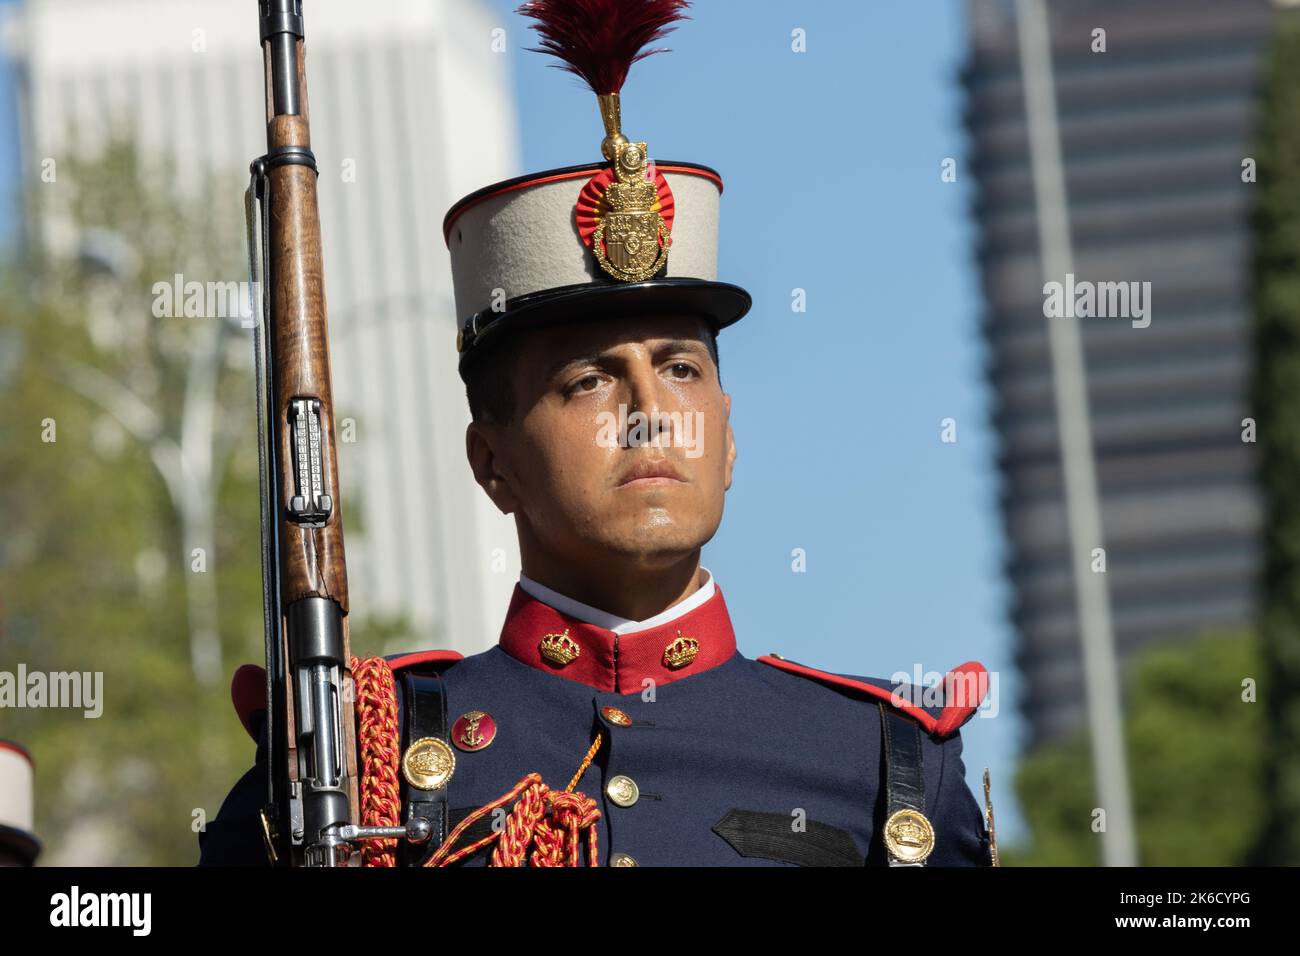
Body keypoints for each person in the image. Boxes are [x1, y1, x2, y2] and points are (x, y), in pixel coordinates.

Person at [198, 0, 996, 868]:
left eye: (682, 369)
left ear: (727, 441)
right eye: (589, 380)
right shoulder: (352, 759)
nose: (650, 410)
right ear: (491, 462)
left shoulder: (883, 763)